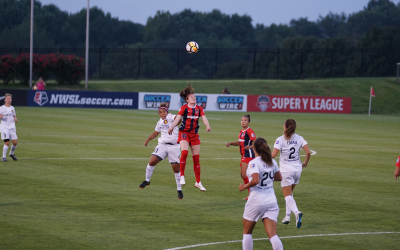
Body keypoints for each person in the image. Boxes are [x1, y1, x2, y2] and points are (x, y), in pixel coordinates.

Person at [239, 137, 283, 250]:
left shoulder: (254, 163)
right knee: (273, 235)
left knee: (247, 232)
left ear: (254, 149)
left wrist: (244, 186)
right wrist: (267, 178)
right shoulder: (272, 161)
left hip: (256, 200)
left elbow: (255, 180)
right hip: (271, 201)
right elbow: (279, 177)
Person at [168, 84, 211, 191]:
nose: (194, 98)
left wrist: (207, 126)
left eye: (195, 97)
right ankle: (182, 176)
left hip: (194, 135)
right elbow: (177, 119)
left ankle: (198, 182)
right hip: (184, 133)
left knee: (196, 159)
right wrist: (171, 127)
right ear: (187, 99)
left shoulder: (199, 108)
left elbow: (204, 118)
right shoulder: (184, 108)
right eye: (192, 97)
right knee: (185, 152)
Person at [272, 119, 311, 228]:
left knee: (287, 194)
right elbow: (308, 152)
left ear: (285, 127)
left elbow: (274, 155)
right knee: (289, 194)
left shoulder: (280, 139)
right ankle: (287, 216)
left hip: (286, 170)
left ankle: (297, 212)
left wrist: (262, 156)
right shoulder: (300, 138)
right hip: (297, 169)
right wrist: (305, 163)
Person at [139, 103, 183, 199]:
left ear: (167, 112)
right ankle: (147, 180)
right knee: (152, 161)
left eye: (164, 112)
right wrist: (148, 139)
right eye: (160, 112)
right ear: (159, 114)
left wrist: (174, 124)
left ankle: (179, 189)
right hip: (162, 145)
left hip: (174, 146)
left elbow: (179, 119)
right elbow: (155, 133)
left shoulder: (171, 117)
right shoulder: (159, 122)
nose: (162, 114)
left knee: (176, 169)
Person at [226, 115, 256, 200]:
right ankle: (251, 194)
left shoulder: (250, 131)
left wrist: (250, 147)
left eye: (245, 120)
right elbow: (240, 143)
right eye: (242, 120)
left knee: (245, 175)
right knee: (243, 175)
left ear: (248, 122)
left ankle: (252, 194)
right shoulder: (241, 132)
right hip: (243, 155)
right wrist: (231, 143)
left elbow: (256, 142)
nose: (243, 121)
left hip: (249, 155)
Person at [0, 93, 18, 162]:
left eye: (10, 99)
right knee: (7, 142)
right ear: (5, 100)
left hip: (12, 128)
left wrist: (15, 119)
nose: (9, 100)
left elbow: (14, 115)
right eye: (7, 98)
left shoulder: (12, 108)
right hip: (4, 128)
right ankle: (3, 157)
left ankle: (11, 153)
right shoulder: (1, 108)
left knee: (15, 143)